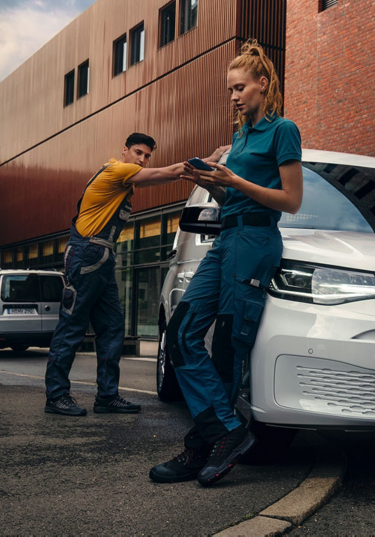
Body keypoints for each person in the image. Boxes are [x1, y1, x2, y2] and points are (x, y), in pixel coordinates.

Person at [149, 40, 303, 487]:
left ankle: (203, 446)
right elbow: (230, 197)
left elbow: (291, 200)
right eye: (229, 90)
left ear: (263, 84)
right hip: (226, 236)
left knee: (227, 348)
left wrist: (234, 178)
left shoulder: (283, 130)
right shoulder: (238, 138)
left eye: (240, 88)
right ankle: (226, 430)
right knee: (180, 334)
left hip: (256, 239)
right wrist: (213, 183)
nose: (233, 96)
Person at [44, 133, 196, 416]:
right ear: (124, 151)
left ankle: (107, 396)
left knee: (113, 328)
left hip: (101, 257)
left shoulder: (124, 180)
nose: (142, 159)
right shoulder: (117, 170)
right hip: (86, 253)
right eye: (138, 152)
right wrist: (203, 165)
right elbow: (164, 174)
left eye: (147, 156)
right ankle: (55, 397)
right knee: (72, 327)